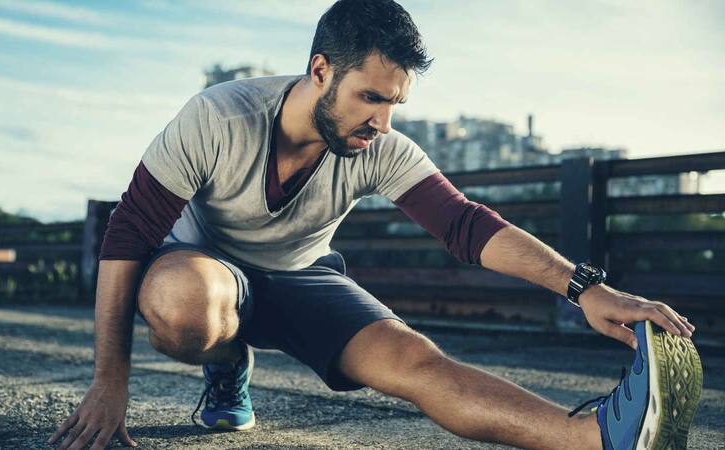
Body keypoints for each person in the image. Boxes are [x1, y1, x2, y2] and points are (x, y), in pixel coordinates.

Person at [48, 1, 703, 449]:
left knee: (414, 359)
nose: (383, 121)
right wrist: (111, 381)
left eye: (395, 103)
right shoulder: (219, 117)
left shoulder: (379, 145)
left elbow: (466, 226)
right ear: (320, 71)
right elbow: (129, 233)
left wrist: (586, 288)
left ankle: (594, 437)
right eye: (371, 97)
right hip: (207, 274)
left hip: (304, 276)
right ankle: (228, 362)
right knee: (183, 299)